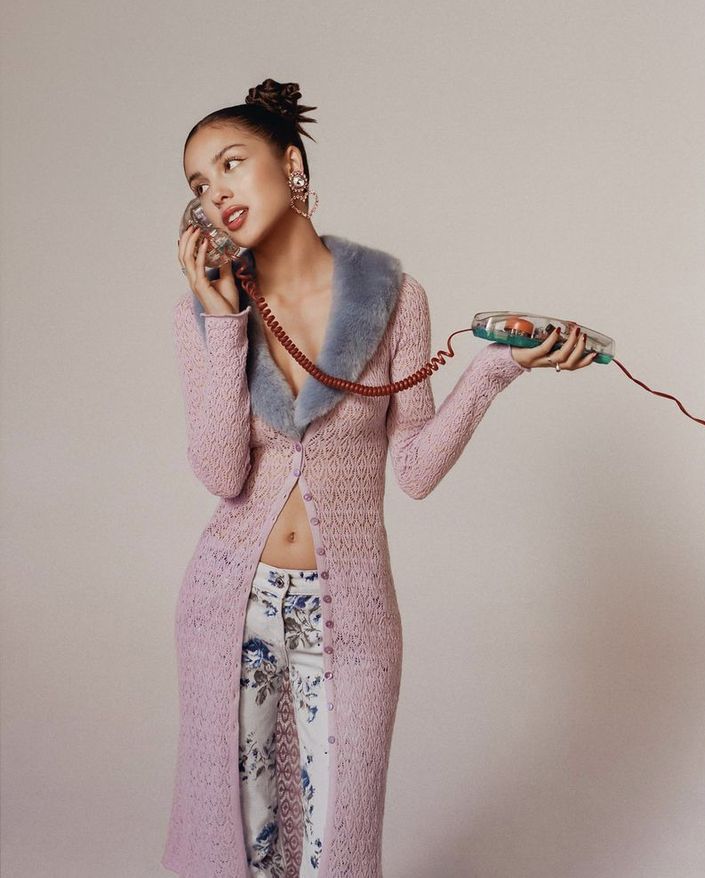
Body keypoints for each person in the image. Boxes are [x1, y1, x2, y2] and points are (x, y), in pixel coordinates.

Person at [162, 78, 597, 878]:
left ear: (290, 164)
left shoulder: (396, 302)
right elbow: (221, 473)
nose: (215, 191)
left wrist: (494, 371)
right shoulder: (212, 311)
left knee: (342, 838)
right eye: (199, 182)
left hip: (351, 608)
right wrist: (223, 326)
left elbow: (417, 469)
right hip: (229, 603)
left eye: (231, 163)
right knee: (239, 838)